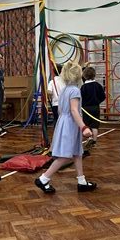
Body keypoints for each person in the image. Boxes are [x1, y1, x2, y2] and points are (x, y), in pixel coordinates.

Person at [34, 61, 96, 194]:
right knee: (65, 155)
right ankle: (43, 179)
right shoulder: (75, 90)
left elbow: (62, 110)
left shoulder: (65, 90)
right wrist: (83, 127)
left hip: (64, 122)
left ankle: (81, 181)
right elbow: (74, 110)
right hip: (71, 124)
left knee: (77, 152)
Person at [80, 66, 105, 145]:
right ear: (94, 75)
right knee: (95, 125)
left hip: (86, 109)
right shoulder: (98, 85)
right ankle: (94, 141)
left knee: (86, 124)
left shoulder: (83, 87)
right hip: (95, 107)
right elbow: (103, 96)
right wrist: (97, 102)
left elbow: (80, 98)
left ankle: (89, 138)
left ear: (84, 76)